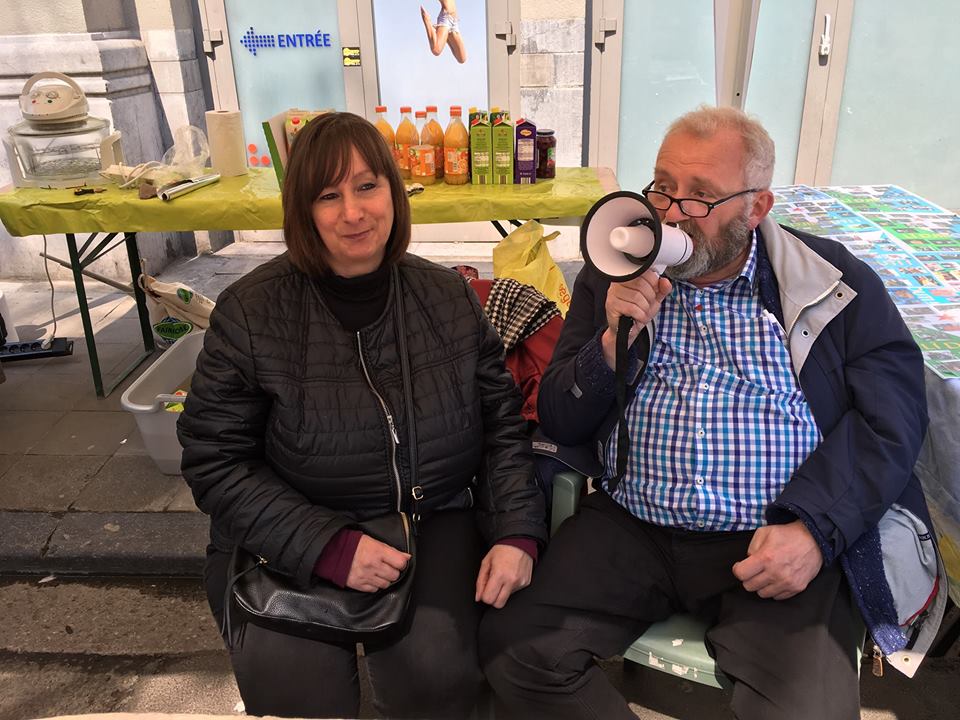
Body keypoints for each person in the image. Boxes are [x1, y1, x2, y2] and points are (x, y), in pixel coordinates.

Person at [480, 106, 945, 719]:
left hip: (771, 533)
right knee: (514, 648)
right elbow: (563, 422)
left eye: (700, 197)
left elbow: (894, 418)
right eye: (663, 187)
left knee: (807, 709)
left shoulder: (831, 281)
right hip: (633, 522)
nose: (670, 213)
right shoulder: (612, 276)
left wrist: (814, 530)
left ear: (756, 208)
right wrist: (608, 347)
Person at [177, 111, 546, 719]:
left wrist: (517, 532)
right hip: (294, 530)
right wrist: (325, 546)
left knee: (438, 674)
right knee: (293, 689)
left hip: (431, 518)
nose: (353, 213)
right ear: (302, 211)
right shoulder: (251, 313)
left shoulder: (448, 299)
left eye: (367, 186)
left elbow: (502, 427)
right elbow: (215, 461)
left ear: (394, 194)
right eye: (328, 195)